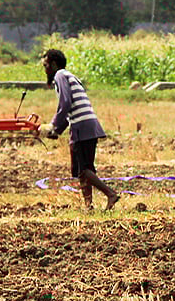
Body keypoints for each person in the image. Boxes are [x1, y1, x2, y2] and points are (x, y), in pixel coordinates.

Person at [41, 49, 119, 210]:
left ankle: (110, 194)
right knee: (84, 168)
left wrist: (52, 125)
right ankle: (88, 205)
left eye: (46, 65)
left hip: (81, 127)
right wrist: (56, 132)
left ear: (54, 64)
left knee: (82, 170)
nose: (45, 69)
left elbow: (65, 103)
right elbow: (70, 108)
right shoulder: (69, 76)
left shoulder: (60, 76)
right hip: (88, 124)